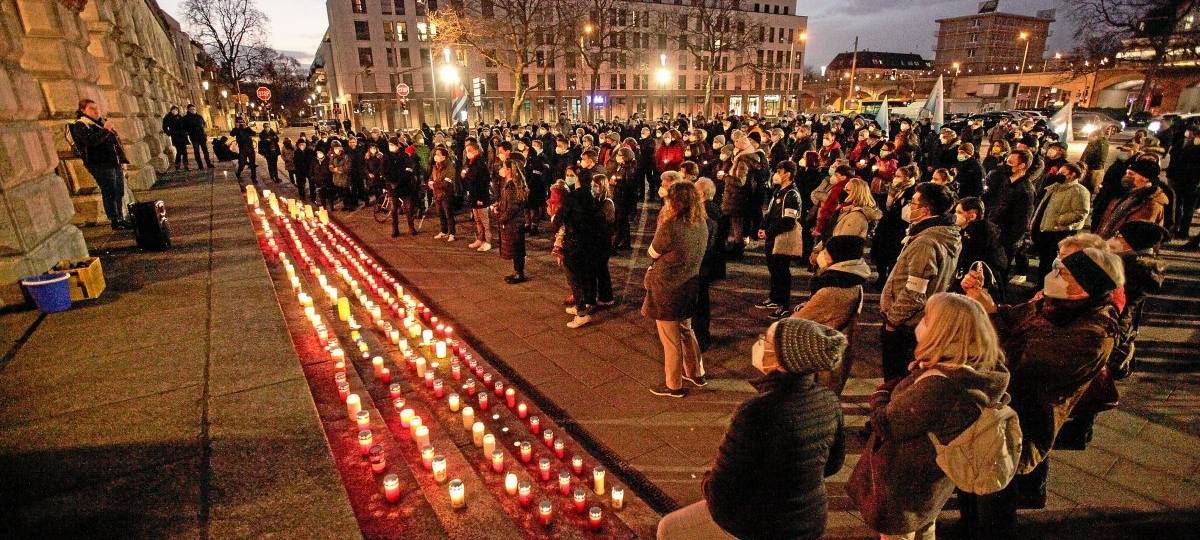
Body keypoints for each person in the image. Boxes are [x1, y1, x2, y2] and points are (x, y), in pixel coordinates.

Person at [961, 244, 1123, 534]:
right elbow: (1014, 317)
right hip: (999, 406)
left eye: (1064, 272)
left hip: (1026, 414)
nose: (1055, 273)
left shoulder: (1092, 335)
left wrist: (991, 316)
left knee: (998, 482)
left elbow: (1016, 367)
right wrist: (985, 302)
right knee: (979, 477)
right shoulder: (1056, 304)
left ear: (1084, 288)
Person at [658, 318, 846, 540]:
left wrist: (708, 481)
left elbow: (723, 492)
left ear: (784, 360)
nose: (759, 346)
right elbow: (833, 464)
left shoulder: (757, 412)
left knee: (669, 528)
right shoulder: (829, 401)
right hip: (810, 519)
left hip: (763, 527)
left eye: (766, 342)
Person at [848, 292, 1010, 540]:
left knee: (899, 532)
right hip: (934, 477)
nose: (919, 322)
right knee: (925, 522)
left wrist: (882, 394)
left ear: (945, 332)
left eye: (926, 318)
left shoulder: (939, 386)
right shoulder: (979, 368)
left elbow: (888, 423)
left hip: (906, 481)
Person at [879, 182, 961, 382]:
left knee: (896, 378)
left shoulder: (927, 241)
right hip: (917, 319)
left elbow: (915, 291)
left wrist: (892, 320)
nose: (909, 207)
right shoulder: (944, 234)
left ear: (925, 210)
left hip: (906, 324)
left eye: (913, 203)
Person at [645, 181, 710, 397]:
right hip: (689, 285)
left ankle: (673, 385)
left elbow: (652, 252)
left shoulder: (670, 226)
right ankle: (696, 372)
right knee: (685, 330)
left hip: (667, 289)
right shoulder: (702, 223)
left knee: (670, 339)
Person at [558, 167, 612, 328]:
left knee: (573, 276)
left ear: (578, 180)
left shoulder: (573, 196)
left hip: (575, 241)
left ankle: (581, 312)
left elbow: (562, 217)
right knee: (584, 274)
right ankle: (585, 303)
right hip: (589, 242)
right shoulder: (593, 198)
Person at [69, 98, 130, 229]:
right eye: (92, 108)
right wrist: (106, 130)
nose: (96, 111)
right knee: (110, 191)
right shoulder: (80, 125)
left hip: (114, 162)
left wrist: (123, 160)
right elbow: (91, 142)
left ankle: (121, 217)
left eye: (97, 108)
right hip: (100, 164)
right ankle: (115, 220)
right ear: (82, 110)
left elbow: (116, 143)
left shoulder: (101, 122)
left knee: (119, 190)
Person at [792, 235, 869, 333]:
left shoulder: (831, 288)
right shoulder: (850, 280)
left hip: (817, 337)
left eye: (825, 251)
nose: (822, 254)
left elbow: (797, 320)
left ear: (836, 255)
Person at [1030, 162, 1091, 286]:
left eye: (1062, 173)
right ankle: (1040, 287)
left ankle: (1048, 291)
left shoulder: (1079, 191)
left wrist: (1059, 220)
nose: (1059, 175)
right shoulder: (1055, 186)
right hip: (1045, 231)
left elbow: (1081, 213)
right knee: (1044, 261)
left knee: (1053, 264)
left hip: (1059, 233)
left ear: (1073, 175)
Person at [756, 161, 803, 319]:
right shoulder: (778, 191)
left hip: (781, 238)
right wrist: (763, 227)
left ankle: (784, 305)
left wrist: (769, 232)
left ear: (788, 174)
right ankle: (774, 297)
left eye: (779, 171)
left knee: (782, 271)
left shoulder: (791, 195)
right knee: (773, 268)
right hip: (771, 236)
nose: (776, 174)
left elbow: (789, 221)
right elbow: (769, 213)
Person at [982, 150, 1035, 272]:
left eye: (1011, 163)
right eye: (1006, 161)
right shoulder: (1007, 181)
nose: (1006, 165)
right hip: (995, 234)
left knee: (999, 273)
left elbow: (1021, 222)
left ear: (1022, 166)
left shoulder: (1025, 191)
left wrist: (1005, 242)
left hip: (1004, 241)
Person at [871, 164, 918, 289]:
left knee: (892, 255)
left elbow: (906, 214)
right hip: (887, 225)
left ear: (907, 178)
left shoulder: (911, 191)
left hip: (898, 229)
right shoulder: (895, 188)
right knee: (880, 253)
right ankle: (881, 278)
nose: (894, 179)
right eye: (895, 176)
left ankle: (889, 281)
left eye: (898, 176)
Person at [952, 197, 1008, 301]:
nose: (955, 215)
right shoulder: (968, 231)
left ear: (972, 216)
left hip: (978, 281)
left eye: (959, 212)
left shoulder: (979, 235)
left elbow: (970, 260)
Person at [1096, 158, 1170, 238]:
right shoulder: (1125, 194)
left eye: (1131, 174)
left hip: (1121, 248)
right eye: (1126, 173)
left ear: (1146, 178)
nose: (1126, 177)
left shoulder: (1151, 204)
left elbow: (1135, 236)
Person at [694, 178, 721, 351]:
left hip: (703, 264)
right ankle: (701, 335)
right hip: (707, 263)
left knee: (700, 303)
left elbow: (705, 240)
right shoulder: (713, 209)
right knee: (701, 301)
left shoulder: (707, 212)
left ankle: (701, 337)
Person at [496, 156, 530, 283]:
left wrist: (501, 218)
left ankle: (519, 273)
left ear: (510, 170)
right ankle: (517, 271)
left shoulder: (512, 187)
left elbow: (512, 208)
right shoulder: (511, 184)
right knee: (516, 248)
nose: (502, 170)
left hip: (514, 223)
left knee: (517, 249)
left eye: (504, 167)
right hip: (515, 222)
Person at [462, 142, 493, 252]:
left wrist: (480, 198)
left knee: (485, 221)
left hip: (481, 196)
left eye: (469, 150)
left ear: (476, 150)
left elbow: (482, 181)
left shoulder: (480, 163)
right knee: (477, 220)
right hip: (473, 195)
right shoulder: (471, 162)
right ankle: (480, 238)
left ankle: (488, 241)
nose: (467, 153)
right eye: (466, 150)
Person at [384, 138, 419, 237]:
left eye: (393, 145)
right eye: (390, 145)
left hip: (404, 185)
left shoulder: (404, 156)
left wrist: (400, 181)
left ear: (398, 145)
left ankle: (411, 227)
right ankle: (395, 229)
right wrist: (391, 182)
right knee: (394, 208)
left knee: (408, 208)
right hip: (392, 186)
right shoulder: (386, 157)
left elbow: (408, 170)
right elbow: (384, 172)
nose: (392, 147)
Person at [428, 146, 457, 242]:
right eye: (435, 154)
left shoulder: (449, 167)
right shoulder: (435, 166)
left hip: (446, 194)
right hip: (437, 194)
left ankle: (452, 233)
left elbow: (447, 183)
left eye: (438, 154)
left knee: (448, 214)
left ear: (444, 157)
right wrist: (430, 182)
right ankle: (443, 231)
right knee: (440, 213)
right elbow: (431, 178)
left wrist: (434, 185)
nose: (435, 156)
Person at [181, 104, 213, 169]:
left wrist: (202, 129)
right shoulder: (185, 118)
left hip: (202, 136)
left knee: (205, 150)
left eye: (194, 109)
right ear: (188, 110)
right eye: (191, 109)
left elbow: (204, 123)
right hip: (194, 137)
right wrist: (190, 131)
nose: (193, 110)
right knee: (196, 151)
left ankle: (208, 163)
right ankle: (200, 165)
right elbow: (184, 128)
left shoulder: (199, 116)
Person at [230, 117, 258, 184]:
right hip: (242, 150)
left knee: (252, 164)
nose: (241, 123)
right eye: (239, 121)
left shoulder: (247, 128)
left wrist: (247, 128)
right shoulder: (237, 129)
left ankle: (253, 178)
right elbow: (232, 134)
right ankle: (238, 173)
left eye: (242, 121)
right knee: (242, 163)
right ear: (237, 122)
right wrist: (236, 127)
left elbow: (254, 133)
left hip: (250, 149)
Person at [162, 106, 190, 171]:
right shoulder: (168, 117)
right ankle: (177, 166)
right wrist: (169, 133)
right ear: (171, 110)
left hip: (182, 136)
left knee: (185, 151)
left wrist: (186, 132)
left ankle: (186, 165)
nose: (175, 111)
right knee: (179, 151)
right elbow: (164, 127)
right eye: (174, 110)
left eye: (176, 110)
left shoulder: (179, 117)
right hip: (176, 136)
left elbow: (184, 125)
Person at [328, 140, 351, 207]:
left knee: (346, 192)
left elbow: (347, 166)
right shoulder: (332, 156)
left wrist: (338, 169)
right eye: (335, 148)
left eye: (337, 148)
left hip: (344, 178)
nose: (336, 150)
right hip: (337, 178)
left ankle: (350, 205)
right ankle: (345, 205)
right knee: (341, 193)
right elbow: (330, 165)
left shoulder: (346, 156)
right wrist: (333, 169)